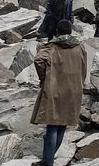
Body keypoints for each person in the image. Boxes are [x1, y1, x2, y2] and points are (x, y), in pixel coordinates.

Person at [31, 20, 87, 166]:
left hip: (54, 89)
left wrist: (44, 77)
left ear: (57, 31)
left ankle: (47, 161)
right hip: (74, 89)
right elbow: (84, 67)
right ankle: (49, 157)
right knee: (63, 124)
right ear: (70, 31)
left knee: (52, 124)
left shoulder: (52, 47)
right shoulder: (80, 47)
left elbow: (38, 60)